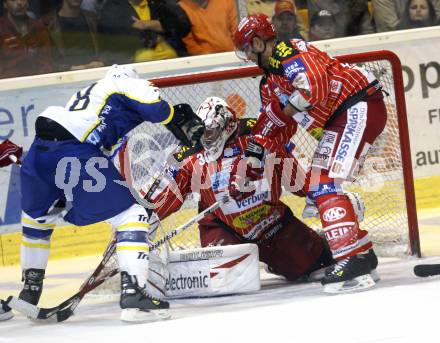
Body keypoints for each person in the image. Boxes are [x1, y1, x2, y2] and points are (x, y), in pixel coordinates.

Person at [0, 64, 204, 322]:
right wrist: (173, 115)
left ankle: (29, 293)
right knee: (132, 216)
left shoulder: (89, 99)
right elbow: (155, 107)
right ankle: (134, 299)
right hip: (73, 153)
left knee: (36, 222)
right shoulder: (125, 82)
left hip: (39, 153)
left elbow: (101, 152)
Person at [233, 14, 383, 293]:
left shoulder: (288, 51)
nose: (245, 54)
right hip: (343, 116)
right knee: (318, 184)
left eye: (245, 47)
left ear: (256, 42)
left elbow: (314, 87)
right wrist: (252, 160)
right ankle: (361, 253)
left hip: (357, 105)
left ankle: (350, 259)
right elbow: (271, 126)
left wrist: (284, 112)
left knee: (324, 183)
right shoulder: (269, 83)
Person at [146, 96, 334, 283]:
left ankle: (296, 251)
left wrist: (328, 199)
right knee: (226, 281)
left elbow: (299, 184)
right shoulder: (188, 155)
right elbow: (162, 198)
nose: (205, 140)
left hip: (273, 224)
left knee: (319, 265)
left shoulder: (262, 135)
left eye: (210, 133)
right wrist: (139, 226)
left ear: (226, 126)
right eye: (203, 133)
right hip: (223, 227)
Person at [98, 0, 190, 65]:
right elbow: (110, 36)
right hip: (134, 63)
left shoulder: (159, 3)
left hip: (173, 58)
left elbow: (183, 26)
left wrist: (149, 24)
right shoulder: (112, 7)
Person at [42, 0, 104, 72]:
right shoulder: (47, 23)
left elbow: (106, 50)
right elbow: (45, 63)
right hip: (63, 78)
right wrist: (79, 68)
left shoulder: (93, 18)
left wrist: (101, 63)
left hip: (94, 74)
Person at [0, 0, 53, 79]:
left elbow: (46, 64)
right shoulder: (1, 29)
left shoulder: (39, 28)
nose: (19, 3)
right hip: (6, 86)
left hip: (37, 86)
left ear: (28, 3)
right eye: (13, 0)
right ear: (5, 4)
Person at [307, 0, 375, 37]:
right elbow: (314, 33)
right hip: (328, 45)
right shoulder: (316, 2)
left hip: (356, 43)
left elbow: (368, 30)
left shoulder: (358, 3)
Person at [372, 0, 440, 32]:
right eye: (413, 8)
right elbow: (391, 29)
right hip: (397, 43)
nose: (418, 10)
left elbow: (437, 20)